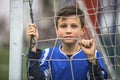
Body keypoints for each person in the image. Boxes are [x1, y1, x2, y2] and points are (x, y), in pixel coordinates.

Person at [27, 6, 108, 80]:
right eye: (63, 26)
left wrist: (91, 58)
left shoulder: (93, 54)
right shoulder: (48, 54)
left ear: (82, 31)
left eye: (74, 26)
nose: (68, 31)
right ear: (57, 30)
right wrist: (33, 46)